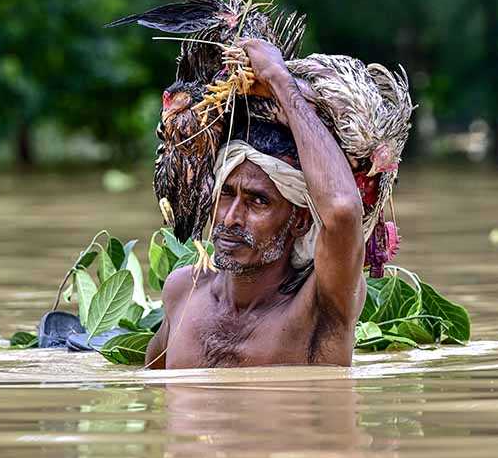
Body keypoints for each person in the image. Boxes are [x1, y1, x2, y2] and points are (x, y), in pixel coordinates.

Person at [146, 38, 366, 368]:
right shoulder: (183, 291)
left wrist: (279, 79)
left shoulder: (320, 304)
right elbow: (148, 391)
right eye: (226, 194)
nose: (232, 217)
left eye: (258, 201)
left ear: (301, 220)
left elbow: (342, 210)